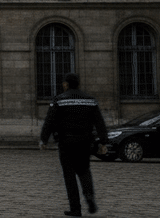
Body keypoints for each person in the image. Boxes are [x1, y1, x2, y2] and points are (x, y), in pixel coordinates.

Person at [40, 73, 109, 216]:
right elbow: (99, 122)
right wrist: (103, 141)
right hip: (85, 141)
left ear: (66, 84)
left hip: (66, 142)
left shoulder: (59, 100)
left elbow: (50, 121)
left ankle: (75, 208)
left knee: (69, 175)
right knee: (84, 171)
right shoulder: (90, 100)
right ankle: (89, 195)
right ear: (78, 84)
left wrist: (44, 139)